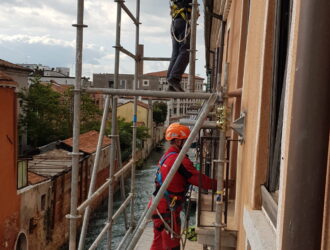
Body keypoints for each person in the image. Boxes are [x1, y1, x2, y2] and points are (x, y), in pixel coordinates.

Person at [150, 123, 217, 250]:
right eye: (186, 140)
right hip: (167, 209)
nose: (188, 144)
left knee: (158, 243)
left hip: (159, 205)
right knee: (172, 246)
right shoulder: (179, 160)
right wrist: (221, 184)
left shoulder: (167, 156)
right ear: (178, 141)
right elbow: (200, 180)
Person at [167, 0, 192, 92]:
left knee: (176, 54)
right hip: (183, 22)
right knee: (186, 52)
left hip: (175, 23)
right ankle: (174, 78)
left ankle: (171, 82)